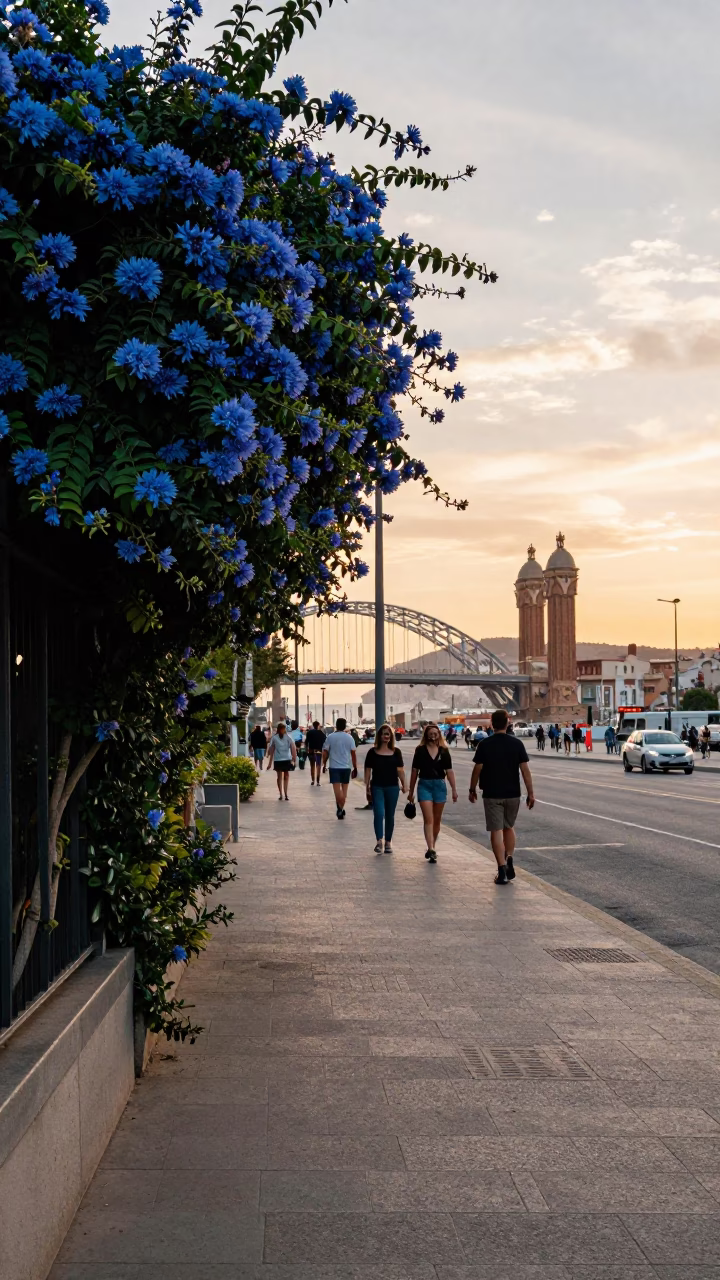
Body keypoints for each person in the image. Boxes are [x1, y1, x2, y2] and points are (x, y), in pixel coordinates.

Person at [469, 707, 536, 885]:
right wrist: (530, 793)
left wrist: (472, 788)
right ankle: (510, 857)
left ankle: (501, 868)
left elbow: (477, 768)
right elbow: (525, 770)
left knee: (496, 830)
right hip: (513, 793)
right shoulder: (517, 744)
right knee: (509, 827)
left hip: (492, 793)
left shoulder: (485, 744)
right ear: (508, 723)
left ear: (492, 724)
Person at [407, 722, 458, 863]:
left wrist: (454, 789)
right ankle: (430, 848)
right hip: (424, 784)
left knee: (436, 820)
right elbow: (414, 771)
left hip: (440, 786)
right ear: (426, 735)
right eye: (430, 734)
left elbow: (449, 771)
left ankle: (433, 846)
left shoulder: (444, 751)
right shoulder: (420, 750)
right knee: (428, 819)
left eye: (435, 734)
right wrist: (411, 791)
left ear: (439, 735)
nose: (433, 736)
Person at [364, 724, 406, 854]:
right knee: (379, 813)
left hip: (393, 787)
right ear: (379, 736)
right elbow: (367, 770)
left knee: (390, 815)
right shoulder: (372, 752)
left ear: (391, 736)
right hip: (377, 786)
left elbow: (400, 770)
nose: (386, 736)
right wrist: (367, 787)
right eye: (383, 734)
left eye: (388, 734)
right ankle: (379, 841)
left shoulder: (396, 752)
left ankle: (388, 841)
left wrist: (405, 784)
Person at [322, 716, 358, 818]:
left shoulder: (330, 737)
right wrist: (355, 767)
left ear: (336, 726)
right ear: (345, 726)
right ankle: (341, 808)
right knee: (344, 791)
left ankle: (339, 809)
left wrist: (324, 764)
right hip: (346, 767)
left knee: (337, 791)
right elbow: (353, 754)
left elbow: (325, 752)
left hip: (334, 767)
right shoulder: (349, 738)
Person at [266, 721, 297, 800]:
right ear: (279, 730)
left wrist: (294, 759)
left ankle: (286, 794)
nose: (283, 731)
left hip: (287, 759)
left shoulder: (288, 737)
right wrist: (269, 763)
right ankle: (281, 794)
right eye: (281, 729)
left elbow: (293, 748)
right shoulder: (275, 738)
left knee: (286, 776)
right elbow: (272, 750)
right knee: (279, 776)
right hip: (278, 760)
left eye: (284, 729)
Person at [305, 720, 326, 786]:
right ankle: (318, 781)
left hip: (311, 750)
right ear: (318, 725)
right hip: (318, 751)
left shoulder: (309, 732)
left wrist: (307, 749)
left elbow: (306, 742)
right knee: (318, 765)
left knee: (312, 766)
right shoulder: (321, 733)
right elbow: (324, 742)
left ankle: (312, 780)